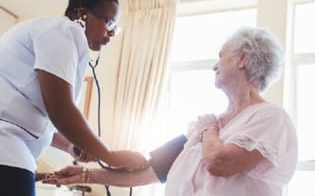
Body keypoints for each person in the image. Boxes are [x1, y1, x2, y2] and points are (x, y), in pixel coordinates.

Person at [44, 26, 298, 196]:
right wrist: (86, 174)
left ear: (242, 59)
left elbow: (219, 163)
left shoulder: (271, 118)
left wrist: (208, 129)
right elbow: (150, 171)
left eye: (221, 56)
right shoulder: (203, 126)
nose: (214, 65)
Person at [0, 0, 147, 195]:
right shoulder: (63, 31)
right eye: (109, 21)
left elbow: (35, 120)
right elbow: (60, 110)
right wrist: (109, 155)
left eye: (116, 27)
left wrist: (71, 146)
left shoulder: (57, 37)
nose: (112, 32)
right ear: (82, 13)